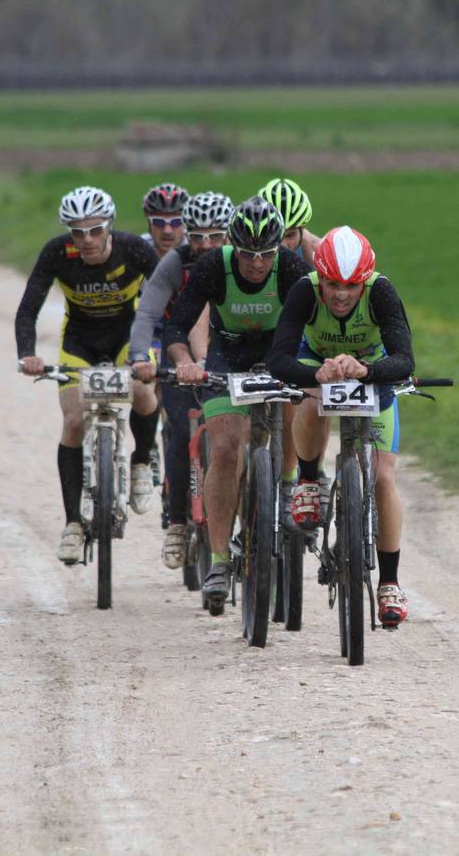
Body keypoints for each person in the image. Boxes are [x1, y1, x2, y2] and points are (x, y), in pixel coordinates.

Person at [162, 196, 311, 609]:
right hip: (227, 359)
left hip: (278, 353)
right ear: (233, 245)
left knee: (296, 409)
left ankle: (287, 486)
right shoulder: (214, 266)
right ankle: (220, 560)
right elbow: (176, 325)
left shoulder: (294, 268)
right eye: (247, 254)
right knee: (225, 451)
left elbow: (322, 322)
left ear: (279, 246)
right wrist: (186, 362)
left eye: (266, 254)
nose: (257, 264)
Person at [266, 226, 416, 627]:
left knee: (384, 478)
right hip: (319, 368)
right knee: (311, 407)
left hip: (371, 375)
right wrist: (315, 375)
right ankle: (310, 481)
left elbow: (404, 359)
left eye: (351, 285)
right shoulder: (304, 290)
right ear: (320, 276)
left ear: (365, 279)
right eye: (331, 283)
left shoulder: (381, 291)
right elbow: (279, 359)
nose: (341, 294)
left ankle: (389, 582)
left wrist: (366, 369)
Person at [16, 186, 162, 564]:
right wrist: (28, 354)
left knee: (145, 394)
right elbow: (28, 307)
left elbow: (167, 297)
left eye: (95, 230)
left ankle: (142, 461)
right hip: (79, 340)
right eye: (77, 232)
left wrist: (158, 351)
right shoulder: (57, 252)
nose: (87, 240)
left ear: (109, 226)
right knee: (72, 420)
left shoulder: (133, 250)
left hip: (125, 337)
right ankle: (73, 524)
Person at [129, 191, 234, 569]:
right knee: (180, 427)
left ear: (230, 235)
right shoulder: (176, 262)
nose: (205, 245)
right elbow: (147, 312)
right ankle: (177, 522)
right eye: (198, 236)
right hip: (180, 347)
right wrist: (141, 356)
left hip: (228, 349)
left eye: (215, 236)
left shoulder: (242, 262)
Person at [258, 177, 321, 261]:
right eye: (274, 234)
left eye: (290, 235)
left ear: (302, 229)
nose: (282, 245)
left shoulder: (317, 251)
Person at [140, 182, 189, 258]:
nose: (167, 231)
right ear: (149, 222)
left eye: (176, 222)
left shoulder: (197, 250)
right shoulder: (138, 248)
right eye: (159, 222)